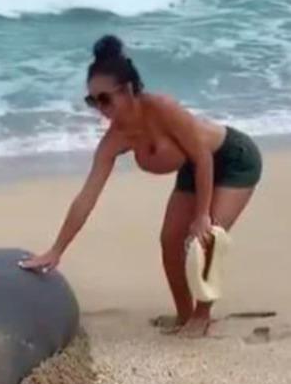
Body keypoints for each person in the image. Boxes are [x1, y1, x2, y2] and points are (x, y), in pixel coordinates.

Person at [18, 35, 262, 337]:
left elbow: (203, 157)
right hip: (194, 168)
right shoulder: (114, 141)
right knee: (169, 240)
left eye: (105, 98)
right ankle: (185, 315)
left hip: (232, 159)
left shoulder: (162, 108)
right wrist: (56, 250)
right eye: (92, 100)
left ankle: (202, 318)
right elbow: (87, 196)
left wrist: (201, 216)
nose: (100, 108)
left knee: (204, 239)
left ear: (129, 89)